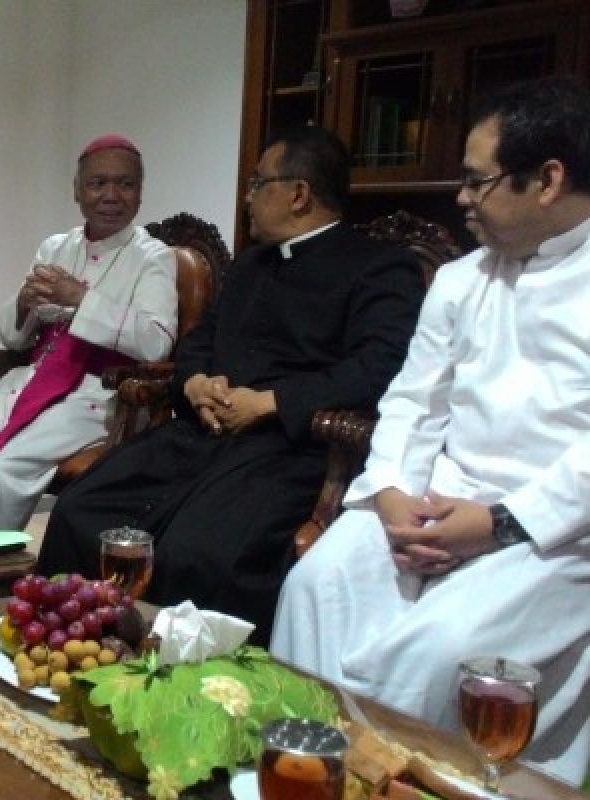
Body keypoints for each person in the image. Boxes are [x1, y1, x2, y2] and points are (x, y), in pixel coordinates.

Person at [271, 79, 590, 786]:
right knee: (315, 585)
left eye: (478, 181)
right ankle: (304, 772)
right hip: (432, 500)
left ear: (548, 180)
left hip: (556, 534)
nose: (461, 198)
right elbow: (413, 401)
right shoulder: (459, 278)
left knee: (439, 651)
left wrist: (499, 523)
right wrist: (389, 493)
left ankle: (395, 783)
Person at [36, 126, 425, 644]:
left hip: (285, 448)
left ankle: (170, 685)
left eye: (257, 183)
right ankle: (67, 647)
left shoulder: (379, 268)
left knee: (196, 553)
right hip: (202, 435)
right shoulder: (251, 262)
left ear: (298, 194)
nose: (248, 197)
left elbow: (378, 368)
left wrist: (269, 403)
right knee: (79, 509)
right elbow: (200, 340)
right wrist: (195, 382)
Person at [0, 134, 178, 531]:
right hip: (33, 379)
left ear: (140, 194)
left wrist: (81, 298)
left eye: (125, 184)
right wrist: (24, 303)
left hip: (94, 395)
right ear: (76, 190)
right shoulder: (56, 247)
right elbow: (15, 340)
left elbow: (157, 342)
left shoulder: (153, 257)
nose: (111, 195)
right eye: (97, 183)